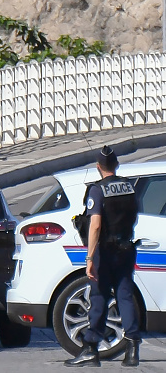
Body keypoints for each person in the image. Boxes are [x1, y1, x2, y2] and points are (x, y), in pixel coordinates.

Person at [64, 146, 141, 367]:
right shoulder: (129, 187)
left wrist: (89, 258)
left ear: (98, 167)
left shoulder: (97, 190)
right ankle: (132, 348)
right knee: (125, 296)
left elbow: (95, 225)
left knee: (98, 299)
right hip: (126, 249)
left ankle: (90, 348)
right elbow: (133, 217)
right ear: (116, 165)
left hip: (104, 253)